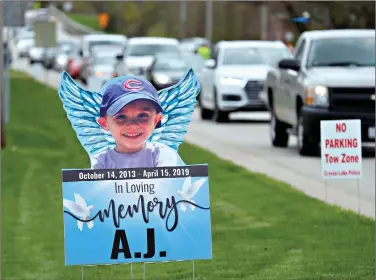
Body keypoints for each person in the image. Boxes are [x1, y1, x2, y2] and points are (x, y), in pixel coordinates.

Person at [90, 76, 186, 169]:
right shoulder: (101, 161)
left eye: (143, 116)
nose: (133, 125)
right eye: (121, 117)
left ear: (156, 120)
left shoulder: (162, 155)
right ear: (104, 123)